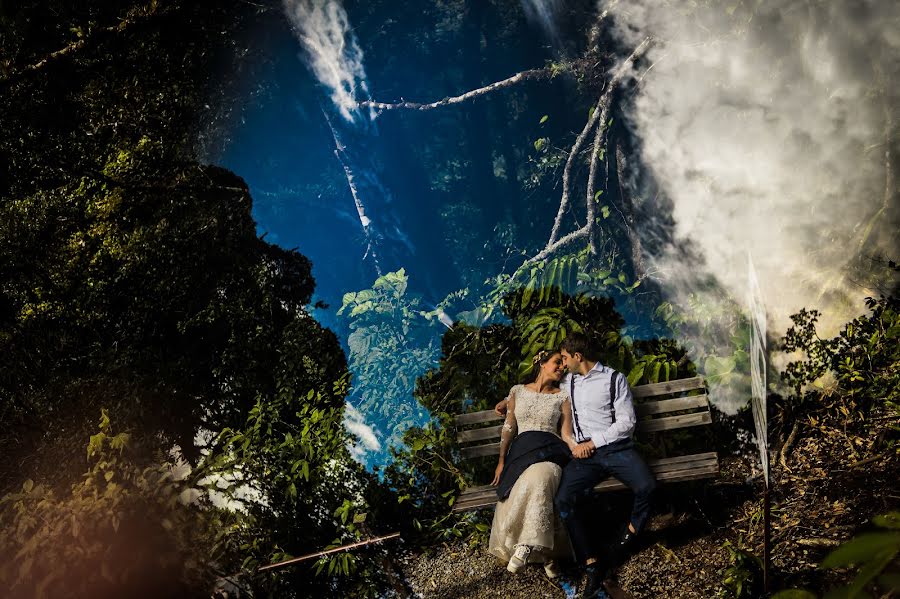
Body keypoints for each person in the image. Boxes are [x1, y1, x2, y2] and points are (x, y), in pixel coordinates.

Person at [556, 332, 657, 598]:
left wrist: (595, 442)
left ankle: (628, 537)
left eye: (566, 357)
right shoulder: (568, 382)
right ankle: (591, 563)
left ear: (578, 356)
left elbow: (627, 423)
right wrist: (508, 402)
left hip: (615, 449)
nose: (563, 363)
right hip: (584, 456)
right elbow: (539, 387)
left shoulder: (615, 379)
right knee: (563, 499)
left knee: (647, 486)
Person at [488, 349, 578, 579]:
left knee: (542, 476)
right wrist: (501, 461)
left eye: (563, 364)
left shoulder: (562, 396)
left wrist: (580, 449)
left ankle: (526, 545)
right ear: (542, 363)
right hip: (522, 453)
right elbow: (508, 429)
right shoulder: (517, 392)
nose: (561, 367)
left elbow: (566, 434)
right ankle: (548, 554)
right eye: (557, 363)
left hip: (551, 452)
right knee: (529, 481)